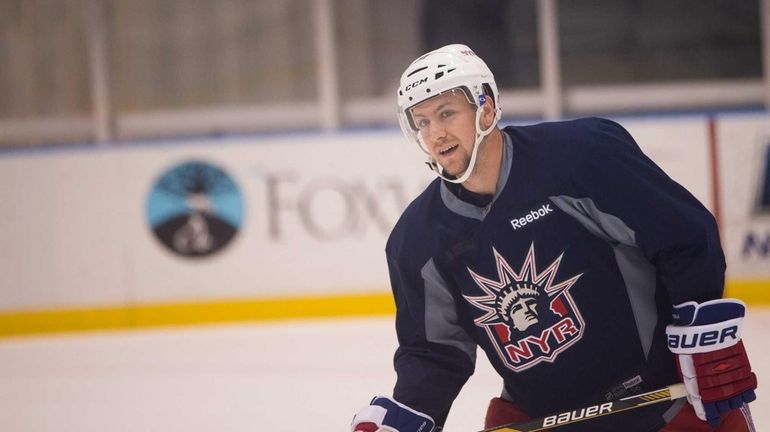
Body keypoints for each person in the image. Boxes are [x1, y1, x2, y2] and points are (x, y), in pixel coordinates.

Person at [350, 44, 758, 432]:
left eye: (445, 113)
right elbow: (435, 352)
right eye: (422, 122)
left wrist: (705, 336)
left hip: (669, 405)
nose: (435, 133)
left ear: (486, 109)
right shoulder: (417, 239)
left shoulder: (581, 158)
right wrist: (408, 411)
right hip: (543, 417)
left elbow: (683, 236)